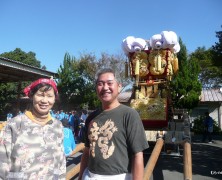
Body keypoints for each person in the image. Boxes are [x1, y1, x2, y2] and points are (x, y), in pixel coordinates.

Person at [78, 68, 149, 180]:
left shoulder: (129, 115)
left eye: (110, 83)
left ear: (119, 86)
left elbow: (138, 154)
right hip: (91, 175)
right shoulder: (91, 117)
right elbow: (87, 151)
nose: (105, 88)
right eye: (100, 84)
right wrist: (80, 176)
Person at [0, 78, 66, 179]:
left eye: (49, 96)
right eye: (40, 95)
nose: (44, 100)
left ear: (54, 99)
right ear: (31, 96)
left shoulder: (57, 126)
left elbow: (61, 161)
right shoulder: (14, 125)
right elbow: (2, 163)